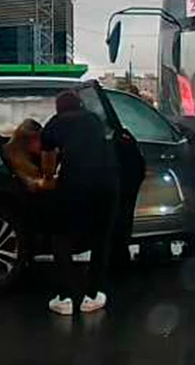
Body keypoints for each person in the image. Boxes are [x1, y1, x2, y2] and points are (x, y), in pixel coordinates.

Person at [42, 90, 119, 316]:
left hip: (75, 183)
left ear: (59, 108)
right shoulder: (94, 119)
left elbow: (48, 163)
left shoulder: (54, 124)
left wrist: (47, 178)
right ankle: (93, 296)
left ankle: (64, 298)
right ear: (80, 104)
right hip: (107, 183)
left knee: (61, 236)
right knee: (102, 238)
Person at [4, 119, 57, 193]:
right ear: (24, 141)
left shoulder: (38, 155)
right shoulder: (12, 157)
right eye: (36, 138)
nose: (42, 141)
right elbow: (26, 184)